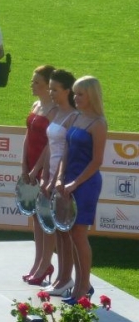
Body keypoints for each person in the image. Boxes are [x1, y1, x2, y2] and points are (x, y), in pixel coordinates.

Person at [56, 76, 106, 306]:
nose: (75, 98)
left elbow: (97, 161)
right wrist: (60, 177)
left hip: (86, 184)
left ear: (91, 96)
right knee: (70, 234)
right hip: (69, 181)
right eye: (74, 93)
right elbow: (66, 151)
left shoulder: (98, 123)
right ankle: (80, 285)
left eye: (80, 94)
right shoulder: (76, 117)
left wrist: (75, 183)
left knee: (78, 234)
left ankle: (83, 286)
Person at [32, 69, 78, 297]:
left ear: (67, 91)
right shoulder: (58, 112)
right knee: (58, 230)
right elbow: (50, 146)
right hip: (51, 174)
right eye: (49, 88)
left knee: (66, 231)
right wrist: (43, 174)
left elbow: (67, 150)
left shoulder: (74, 116)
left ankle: (67, 278)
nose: (51, 93)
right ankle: (61, 277)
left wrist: (56, 179)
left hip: (64, 176)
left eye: (55, 89)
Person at [20, 65, 57, 286]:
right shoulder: (36, 105)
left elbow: (50, 144)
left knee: (45, 217)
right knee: (35, 216)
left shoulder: (54, 110)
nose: (32, 85)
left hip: (45, 166)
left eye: (37, 82)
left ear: (47, 85)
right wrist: (24, 164)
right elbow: (28, 136)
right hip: (31, 163)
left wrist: (36, 169)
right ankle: (38, 262)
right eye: (32, 81)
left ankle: (46, 263)